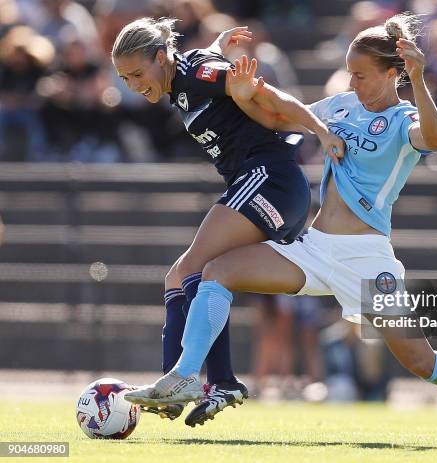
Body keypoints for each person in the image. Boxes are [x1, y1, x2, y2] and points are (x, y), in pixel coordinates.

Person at [126, 12, 437, 445]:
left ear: (391, 74)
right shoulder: (342, 106)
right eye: (350, 73)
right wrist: (247, 92)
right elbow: (280, 117)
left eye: (361, 75)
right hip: (314, 246)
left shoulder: (404, 120)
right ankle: (186, 377)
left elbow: (435, 139)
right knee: (217, 271)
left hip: (366, 257)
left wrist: (419, 78)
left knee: (421, 361)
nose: (353, 83)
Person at [111, 17, 344, 420]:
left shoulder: (198, 74)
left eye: (137, 73)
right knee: (186, 277)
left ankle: (195, 380)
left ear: (162, 57)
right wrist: (218, 45)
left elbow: (269, 96)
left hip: (269, 180)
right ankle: (208, 383)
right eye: (123, 78)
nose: (132, 85)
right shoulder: (185, 75)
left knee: (189, 270)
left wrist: (320, 131)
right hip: (263, 185)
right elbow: (206, 61)